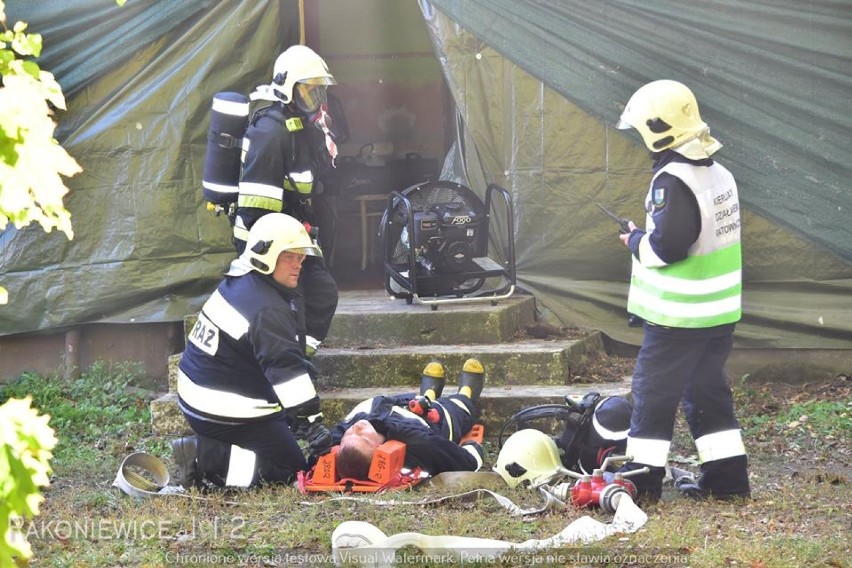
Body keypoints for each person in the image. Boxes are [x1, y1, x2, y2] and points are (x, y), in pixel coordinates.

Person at [612, 80, 750, 502]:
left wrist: (635, 242)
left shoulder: (671, 180)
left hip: (679, 319)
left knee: (653, 397)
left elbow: (668, 248)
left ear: (658, 130)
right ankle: (728, 485)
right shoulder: (720, 173)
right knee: (708, 394)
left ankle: (641, 487)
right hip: (718, 316)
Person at [172, 213, 333, 489]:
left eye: (301, 258)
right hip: (222, 408)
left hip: (199, 394)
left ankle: (217, 445)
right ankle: (205, 456)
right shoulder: (267, 308)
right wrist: (311, 423)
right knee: (292, 472)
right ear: (265, 255)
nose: (298, 266)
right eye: (289, 257)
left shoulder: (242, 280)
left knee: (283, 435)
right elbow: (285, 370)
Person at [234, 44, 342, 356]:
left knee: (320, 294)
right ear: (286, 87)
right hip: (267, 242)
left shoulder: (296, 124)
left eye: (318, 93)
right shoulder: (270, 132)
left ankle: (298, 359)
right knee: (291, 304)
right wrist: (271, 251)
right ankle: (284, 363)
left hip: (292, 234)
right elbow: (258, 204)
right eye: (309, 92)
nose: (316, 100)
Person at [330, 359, 487, 480]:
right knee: (457, 409)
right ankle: (466, 393)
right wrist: (473, 448)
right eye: (363, 438)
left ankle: (429, 393)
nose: (356, 429)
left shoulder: (349, 429)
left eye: (348, 436)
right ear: (380, 450)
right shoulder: (419, 442)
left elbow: (320, 449)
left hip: (405, 403)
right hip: (438, 418)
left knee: (422, 400)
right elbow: (463, 462)